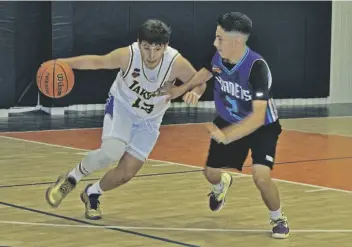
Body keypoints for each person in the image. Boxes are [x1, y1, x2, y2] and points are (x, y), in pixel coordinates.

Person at [45, 19, 206, 220]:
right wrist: (61, 63)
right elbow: (97, 62)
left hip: (150, 120)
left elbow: (200, 81)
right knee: (112, 151)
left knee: (126, 174)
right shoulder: (128, 56)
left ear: (165, 46)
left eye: (157, 49)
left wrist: (192, 92)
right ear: (139, 43)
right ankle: (70, 178)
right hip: (122, 108)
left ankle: (92, 193)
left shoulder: (175, 62)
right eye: (146, 48)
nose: (151, 55)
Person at [174, 12, 290, 239]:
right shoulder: (218, 56)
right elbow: (204, 74)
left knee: (260, 176)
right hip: (229, 119)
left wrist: (227, 136)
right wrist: (183, 90)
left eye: (220, 38)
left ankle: (278, 218)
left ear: (237, 41)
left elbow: (257, 117)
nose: (214, 43)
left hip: (262, 126)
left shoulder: (256, 68)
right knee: (210, 173)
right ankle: (221, 186)